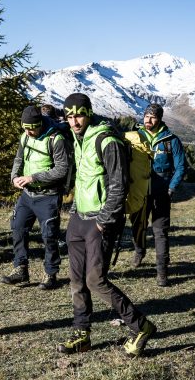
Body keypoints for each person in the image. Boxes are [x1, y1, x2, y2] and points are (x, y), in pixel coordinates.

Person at [57, 92, 157, 356]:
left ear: (88, 113)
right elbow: (84, 178)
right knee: (76, 279)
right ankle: (82, 333)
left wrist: (103, 221)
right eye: (69, 116)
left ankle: (140, 325)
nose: (74, 120)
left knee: (95, 280)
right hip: (79, 218)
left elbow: (119, 183)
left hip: (101, 221)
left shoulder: (106, 139)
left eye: (78, 114)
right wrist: (75, 211)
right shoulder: (79, 139)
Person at [1, 105, 70, 290]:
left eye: (33, 128)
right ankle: (20, 269)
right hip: (27, 194)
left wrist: (33, 177)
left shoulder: (56, 139)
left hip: (48, 196)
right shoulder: (25, 136)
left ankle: (50, 274)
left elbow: (61, 169)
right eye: (26, 128)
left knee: (49, 235)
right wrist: (14, 177)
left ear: (41, 123)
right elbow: (19, 159)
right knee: (18, 227)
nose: (29, 132)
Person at [130, 103, 187, 286]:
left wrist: (171, 188)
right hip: (139, 190)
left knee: (160, 232)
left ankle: (162, 271)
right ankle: (139, 252)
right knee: (138, 226)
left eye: (153, 117)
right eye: (146, 116)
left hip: (161, 192)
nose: (149, 120)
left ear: (160, 119)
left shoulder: (172, 140)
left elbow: (180, 167)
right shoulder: (135, 137)